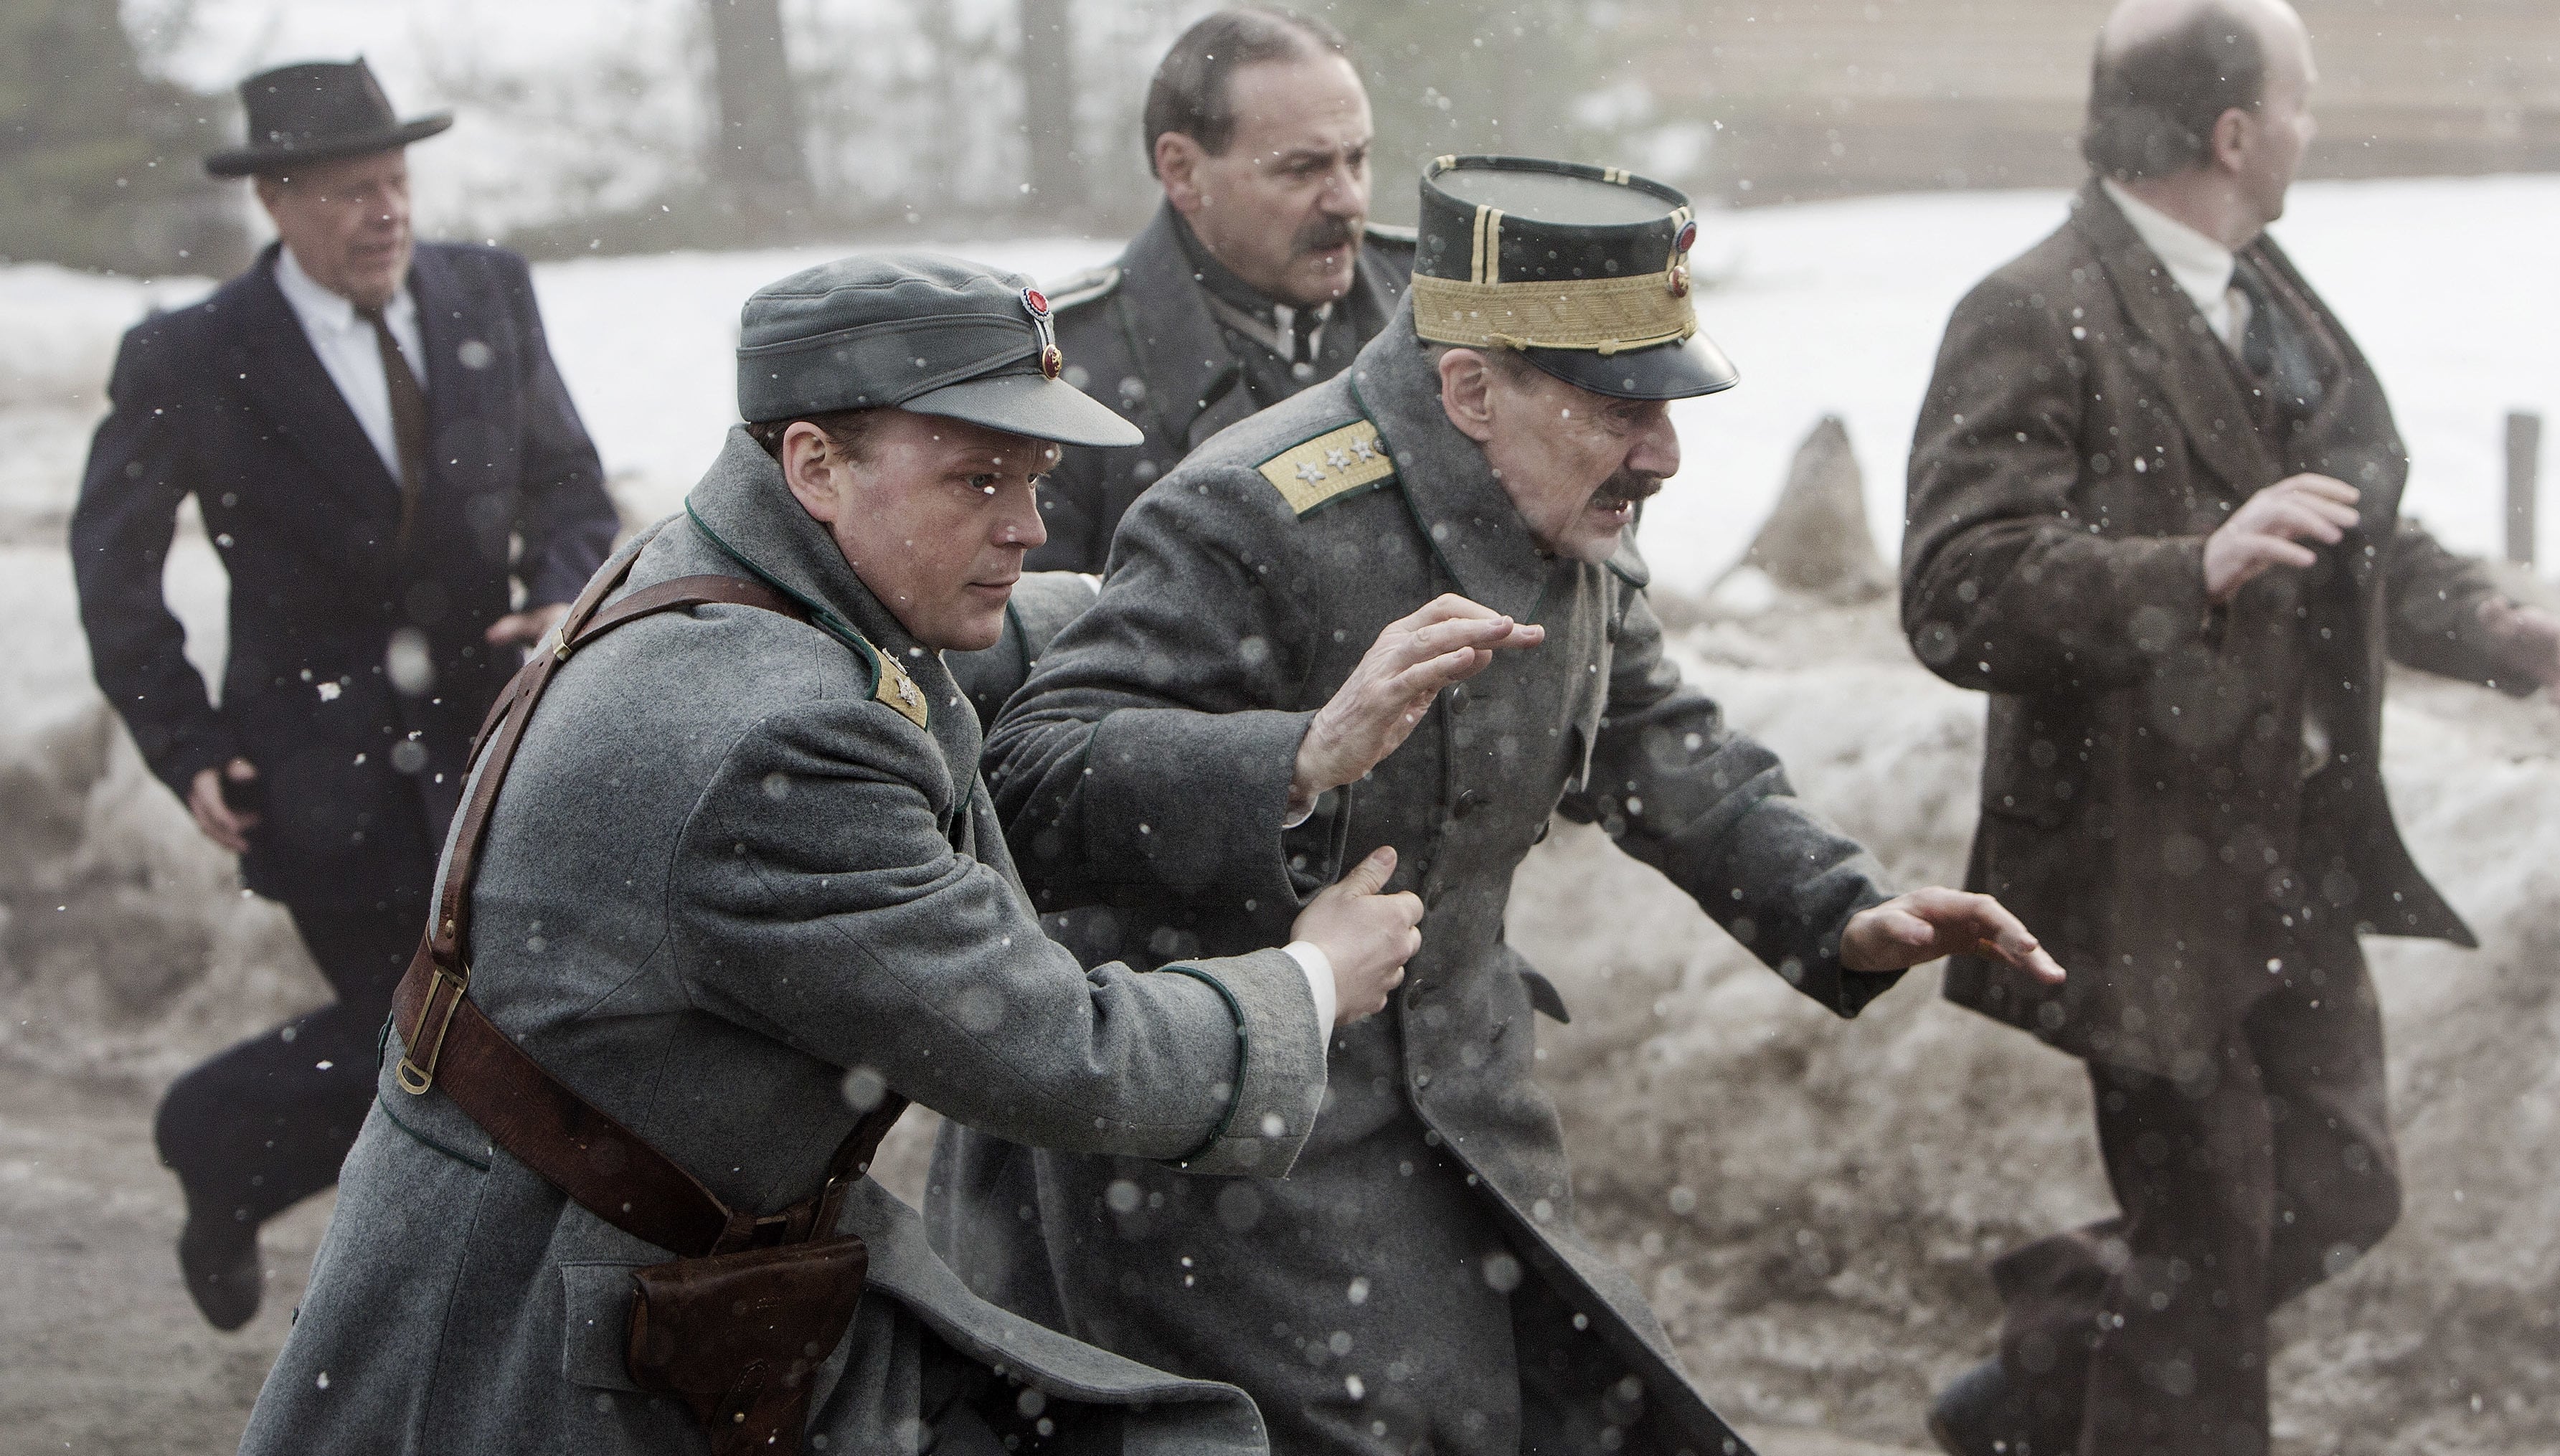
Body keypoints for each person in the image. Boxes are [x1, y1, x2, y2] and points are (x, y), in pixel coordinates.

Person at [943, 156, 2067, 1456]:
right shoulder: (1253, 511)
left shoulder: (1567, 499)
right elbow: (1033, 779)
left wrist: (1844, 909)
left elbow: (1654, 739)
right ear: (1471, 390)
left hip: (1466, 1119)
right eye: (1620, 409)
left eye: (1668, 406)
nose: (1664, 455)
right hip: (1236, 1163)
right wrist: (1298, 757)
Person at [235, 252, 1426, 1455]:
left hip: (605, 1273)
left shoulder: (720, 566)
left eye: (1035, 477)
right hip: (542, 1344)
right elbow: (1067, 1056)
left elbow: (939, 642)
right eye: (978, 480)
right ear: (813, 464)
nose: (1025, 525)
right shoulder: (779, 745)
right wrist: (1312, 978)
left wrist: (1208, 612)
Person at [1899, 3, 2560, 1452]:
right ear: (2229, 133)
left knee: (2338, 1184)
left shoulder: (2260, 290)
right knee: (2204, 1244)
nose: (2308, 129)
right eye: (2299, 101)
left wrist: (2513, 639)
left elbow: (2348, 537)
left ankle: (2032, 1385)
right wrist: (2185, 570)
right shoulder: (2028, 307)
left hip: (2286, 853)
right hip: (2135, 870)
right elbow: (1955, 593)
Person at [68, 57, 618, 1330]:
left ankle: (229, 1145)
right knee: (443, 1049)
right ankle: (400, 1295)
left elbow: (569, 485)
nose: (387, 213)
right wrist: (183, 740)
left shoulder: (488, 290)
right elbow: (114, 571)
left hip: (494, 746)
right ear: (273, 201)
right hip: (319, 770)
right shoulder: (194, 354)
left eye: (397, 181)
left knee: (486, 1041)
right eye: (349, 191)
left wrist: (562, 593)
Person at [1025, 6, 1415, 573]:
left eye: (1357, 159)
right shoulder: (1060, 373)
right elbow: (1036, 618)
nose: (1348, 200)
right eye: (1302, 170)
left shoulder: (1438, 307)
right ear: (1183, 172)